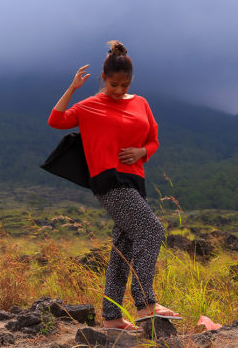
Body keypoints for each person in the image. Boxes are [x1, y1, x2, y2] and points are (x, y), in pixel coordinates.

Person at [47, 40, 181, 331]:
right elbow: (56, 120)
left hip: (135, 180)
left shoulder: (141, 103)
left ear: (131, 80)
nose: (119, 90)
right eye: (113, 84)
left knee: (123, 248)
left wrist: (142, 152)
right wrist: (72, 89)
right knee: (152, 230)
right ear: (103, 78)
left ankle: (111, 318)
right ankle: (146, 303)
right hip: (109, 180)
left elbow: (153, 140)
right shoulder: (90, 106)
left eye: (124, 84)